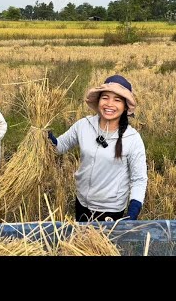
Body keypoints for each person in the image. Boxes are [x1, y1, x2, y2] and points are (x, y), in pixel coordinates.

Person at [48, 75, 147, 222]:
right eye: (105, 97)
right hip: (82, 203)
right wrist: (45, 135)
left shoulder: (132, 138)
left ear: (125, 106)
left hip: (110, 211)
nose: (109, 104)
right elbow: (59, 147)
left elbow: (139, 179)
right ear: (98, 100)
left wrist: (133, 212)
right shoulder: (83, 125)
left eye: (117, 100)